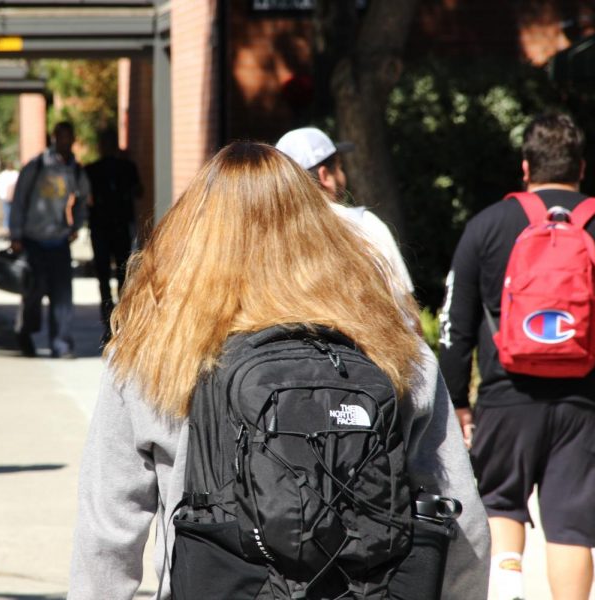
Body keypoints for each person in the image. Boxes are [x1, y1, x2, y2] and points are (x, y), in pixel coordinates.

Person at [68, 142, 490, 599]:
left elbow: (107, 534)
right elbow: (463, 522)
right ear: (323, 232)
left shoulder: (151, 357)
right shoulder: (395, 351)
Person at [438, 112, 595, 600]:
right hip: (590, 403)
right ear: (581, 167)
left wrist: (458, 400)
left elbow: (454, 325)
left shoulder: (487, 226)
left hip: (507, 397)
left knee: (501, 507)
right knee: (570, 528)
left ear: (525, 167)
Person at [275, 127, 414, 297]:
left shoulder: (272, 238)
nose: (342, 175)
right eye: (340, 167)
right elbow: (404, 311)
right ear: (325, 175)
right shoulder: (365, 225)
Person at [9, 121, 89, 359]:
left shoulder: (75, 170)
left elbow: (84, 199)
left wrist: (76, 224)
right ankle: (25, 334)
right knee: (33, 294)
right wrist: (16, 234)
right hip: (33, 240)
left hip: (59, 240)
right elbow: (19, 200)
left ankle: (61, 344)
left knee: (62, 296)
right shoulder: (37, 165)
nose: (65, 141)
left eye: (69, 137)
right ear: (54, 138)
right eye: (61, 137)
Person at [84, 128, 141, 342]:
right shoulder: (124, 167)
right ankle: (116, 322)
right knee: (120, 276)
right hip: (114, 226)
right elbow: (139, 191)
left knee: (110, 278)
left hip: (106, 227)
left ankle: (111, 323)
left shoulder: (94, 169)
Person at [0, 159, 19, 236]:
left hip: (4, 197)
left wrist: (1, 195)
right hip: (14, 197)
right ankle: (12, 229)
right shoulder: (16, 174)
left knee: (7, 214)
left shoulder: (2, 174)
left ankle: (6, 229)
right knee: (13, 214)